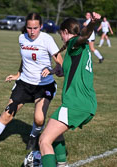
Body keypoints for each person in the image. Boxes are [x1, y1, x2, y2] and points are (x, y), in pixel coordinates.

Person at [0, 12, 63, 152]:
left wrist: (51, 71)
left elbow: (60, 64)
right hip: (24, 84)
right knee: (7, 114)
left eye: (35, 28)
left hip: (44, 86)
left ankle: (33, 137)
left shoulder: (47, 40)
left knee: (39, 119)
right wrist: (18, 74)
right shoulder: (22, 38)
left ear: (41, 26)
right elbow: (25, 59)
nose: (32, 32)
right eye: (29, 28)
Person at [39, 12, 100, 167]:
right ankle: (62, 164)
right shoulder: (81, 50)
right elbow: (72, 70)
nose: (62, 39)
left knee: (44, 140)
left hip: (75, 103)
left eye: (61, 36)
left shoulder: (74, 43)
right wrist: (59, 71)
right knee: (55, 132)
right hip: (87, 103)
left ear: (66, 32)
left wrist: (92, 23)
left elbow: (84, 35)